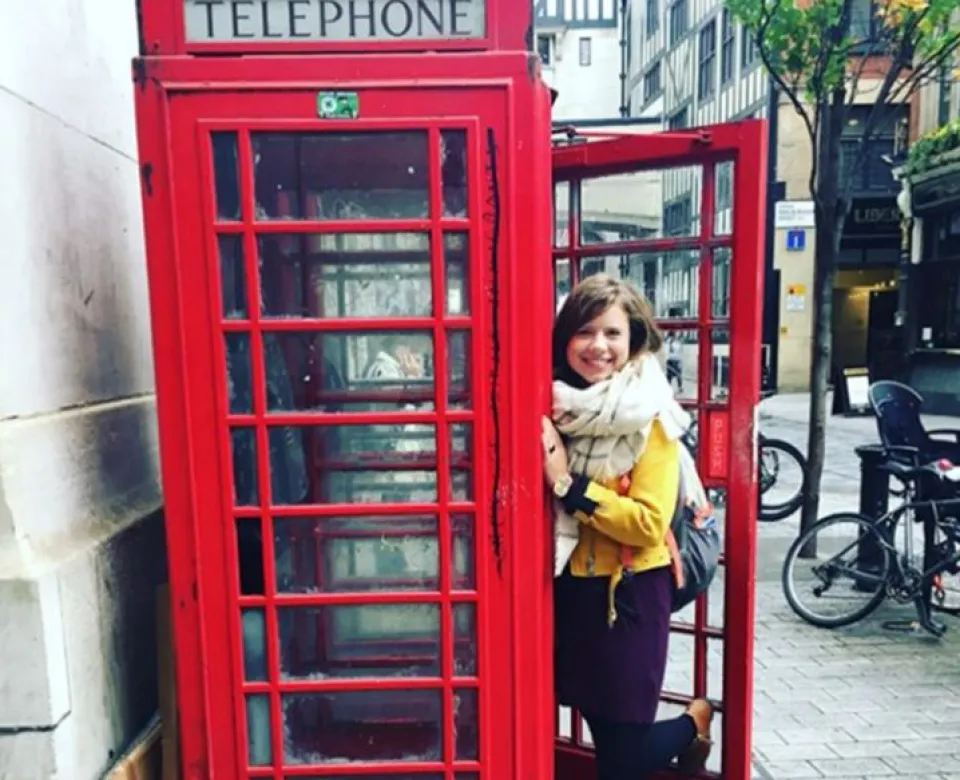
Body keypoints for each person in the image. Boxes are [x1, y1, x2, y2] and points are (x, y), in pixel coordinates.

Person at [542, 274, 713, 779]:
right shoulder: (555, 407)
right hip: (568, 591)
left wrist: (567, 486)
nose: (598, 346)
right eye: (584, 331)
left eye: (612, 333)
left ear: (634, 339)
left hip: (630, 598)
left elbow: (648, 521)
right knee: (593, 720)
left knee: (623, 758)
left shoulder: (650, 419)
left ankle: (693, 722)